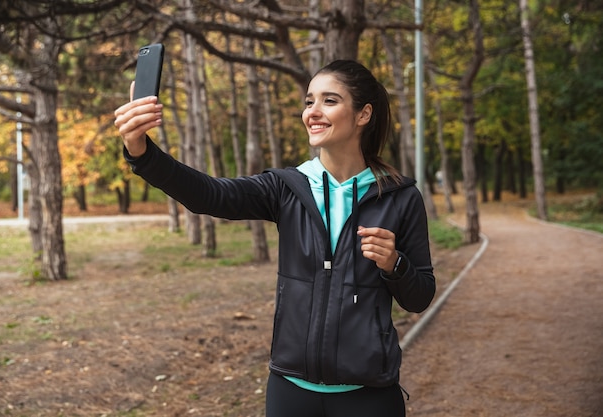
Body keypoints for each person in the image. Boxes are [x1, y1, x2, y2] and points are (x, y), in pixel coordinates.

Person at [114, 59, 436, 417]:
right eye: (308, 101)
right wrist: (142, 152)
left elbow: (420, 296)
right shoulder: (286, 188)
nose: (313, 111)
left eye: (329, 101)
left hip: (369, 396)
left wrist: (395, 264)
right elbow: (208, 194)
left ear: (363, 114)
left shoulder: (400, 197)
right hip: (290, 391)